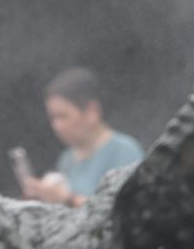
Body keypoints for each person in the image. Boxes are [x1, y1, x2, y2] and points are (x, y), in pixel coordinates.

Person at [23, 68, 143, 206]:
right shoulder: (67, 159)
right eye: (52, 118)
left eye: (62, 116)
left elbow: (123, 211)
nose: (57, 126)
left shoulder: (124, 152)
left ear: (92, 111)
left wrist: (68, 199)